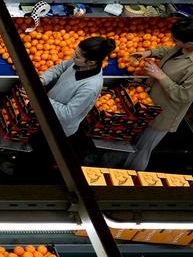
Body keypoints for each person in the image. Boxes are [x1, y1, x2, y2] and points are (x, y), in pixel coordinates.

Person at [12, 36, 117, 178]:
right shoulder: (77, 64)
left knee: (39, 159)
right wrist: (42, 80)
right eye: (75, 52)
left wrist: (38, 98)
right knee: (31, 146)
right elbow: (60, 68)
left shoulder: (90, 87)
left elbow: (68, 114)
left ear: (91, 62)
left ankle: (26, 181)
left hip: (58, 129)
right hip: (46, 115)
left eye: (78, 56)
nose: (73, 56)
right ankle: (19, 167)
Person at [121, 19, 193, 172]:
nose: (173, 42)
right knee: (129, 139)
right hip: (149, 102)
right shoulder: (185, 48)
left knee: (142, 148)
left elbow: (186, 95)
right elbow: (170, 52)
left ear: (190, 43)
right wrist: (149, 53)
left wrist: (160, 76)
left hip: (164, 112)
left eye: (175, 40)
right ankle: (113, 165)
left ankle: (128, 179)